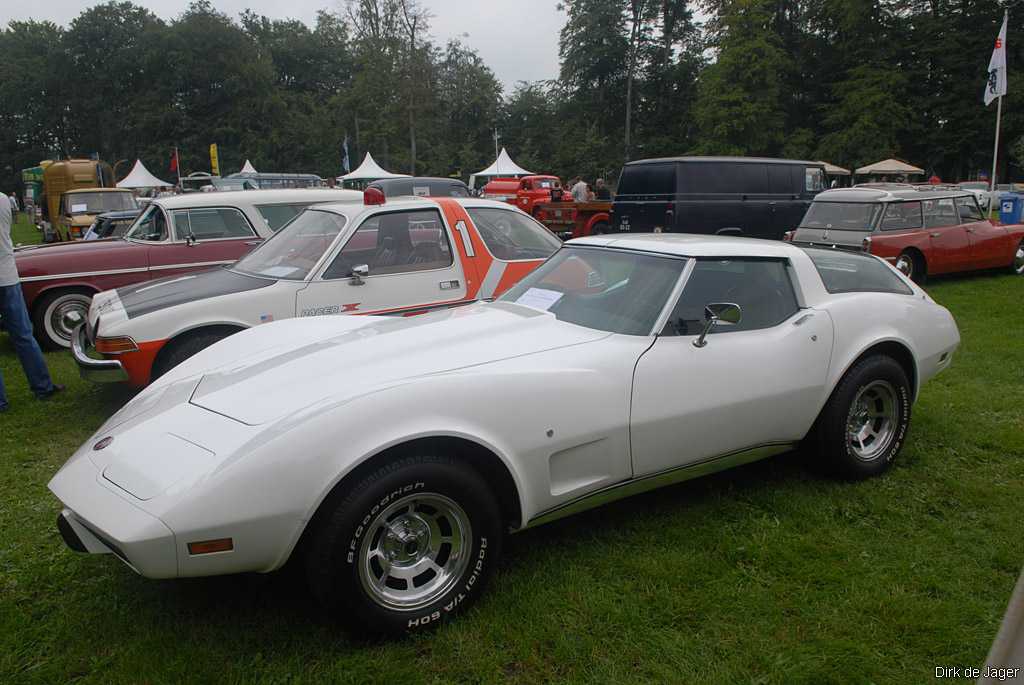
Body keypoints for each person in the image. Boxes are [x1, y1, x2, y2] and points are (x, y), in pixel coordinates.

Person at [0, 193, 63, 413]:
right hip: (7, 275)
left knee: (23, 335)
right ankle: (42, 386)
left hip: (6, 274)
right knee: (24, 335)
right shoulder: (3, 200)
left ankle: (0, 401)